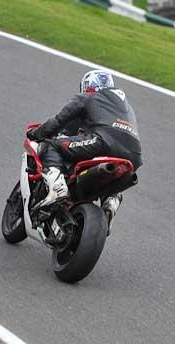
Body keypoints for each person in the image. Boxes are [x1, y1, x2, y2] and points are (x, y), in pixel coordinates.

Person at [26, 69, 143, 232]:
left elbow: (59, 121)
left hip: (103, 143)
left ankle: (57, 187)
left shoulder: (89, 97)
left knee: (51, 145)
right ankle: (111, 201)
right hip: (134, 156)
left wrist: (37, 133)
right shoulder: (125, 106)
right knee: (114, 181)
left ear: (88, 85)